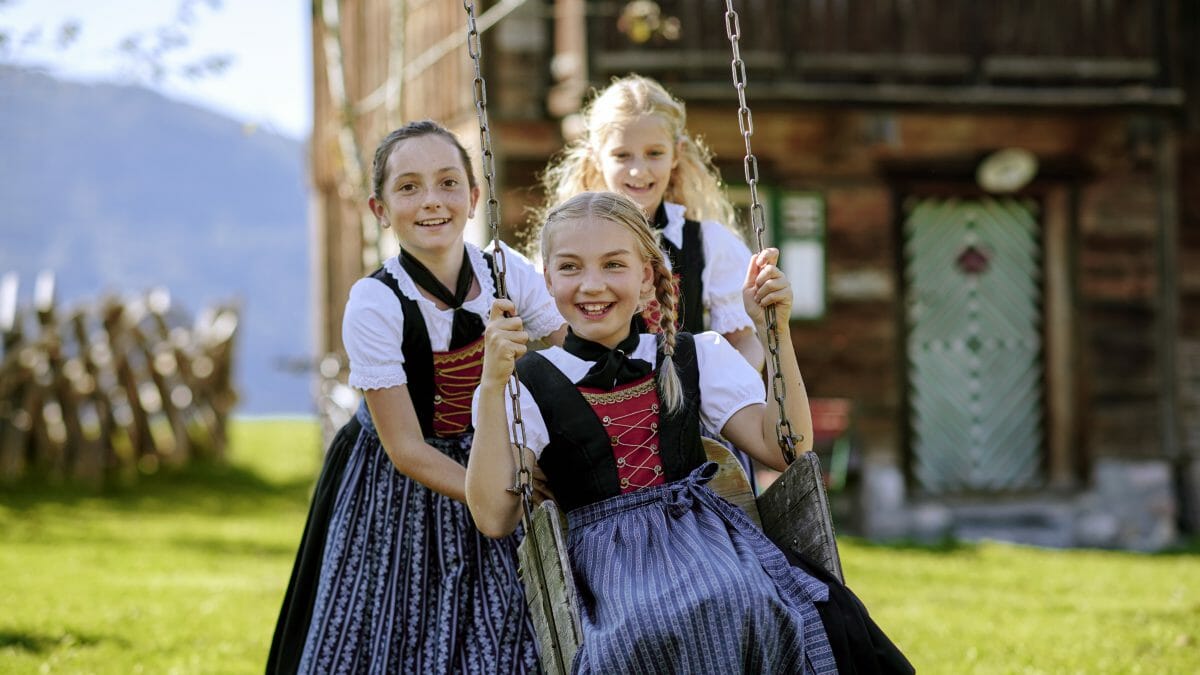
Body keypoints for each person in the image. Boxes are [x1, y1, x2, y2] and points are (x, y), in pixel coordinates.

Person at [468, 191, 912, 673]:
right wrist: (494, 385)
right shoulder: (527, 382)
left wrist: (774, 335)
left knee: (749, 603)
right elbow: (493, 518)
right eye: (570, 267)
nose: (591, 285)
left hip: (706, 542)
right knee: (638, 636)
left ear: (645, 278)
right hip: (610, 570)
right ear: (548, 279)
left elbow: (787, 449)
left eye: (614, 265)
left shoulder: (692, 355)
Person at [268, 120, 565, 674]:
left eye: (448, 182)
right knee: (389, 627)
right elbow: (405, 448)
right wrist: (501, 495)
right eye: (408, 187)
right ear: (380, 209)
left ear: (474, 198)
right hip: (399, 481)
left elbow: (568, 357)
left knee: (507, 622)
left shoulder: (506, 272)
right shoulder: (376, 303)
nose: (431, 201)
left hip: (492, 455)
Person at [535, 73, 763, 371]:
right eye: (622, 156)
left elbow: (744, 342)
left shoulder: (706, 243)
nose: (638, 171)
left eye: (654, 153)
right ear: (596, 158)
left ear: (675, 154)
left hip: (684, 407)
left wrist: (723, 392)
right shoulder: (564, 243)